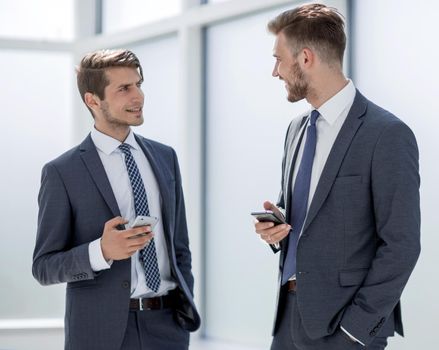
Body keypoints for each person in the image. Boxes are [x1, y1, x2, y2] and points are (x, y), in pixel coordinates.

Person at [254, 4, 420, 350]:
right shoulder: (296, 130)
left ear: (306, 58)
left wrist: (356, 330)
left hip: (346, 329)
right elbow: (312, 220)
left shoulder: (386, 134)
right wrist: (277, 228)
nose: (275, 72)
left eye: (279, 59)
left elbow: (401, 245)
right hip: (288, 321)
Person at [32, 49, 200, 350]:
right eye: (124, 89)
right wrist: (101, 251)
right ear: (93, 101)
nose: (138, 96)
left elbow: (179, 247)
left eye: (138, 84)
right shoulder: (62, 172)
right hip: (99, 332)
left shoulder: (165, 157)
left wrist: (181, 309)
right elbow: (44, 266)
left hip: (168, 328)